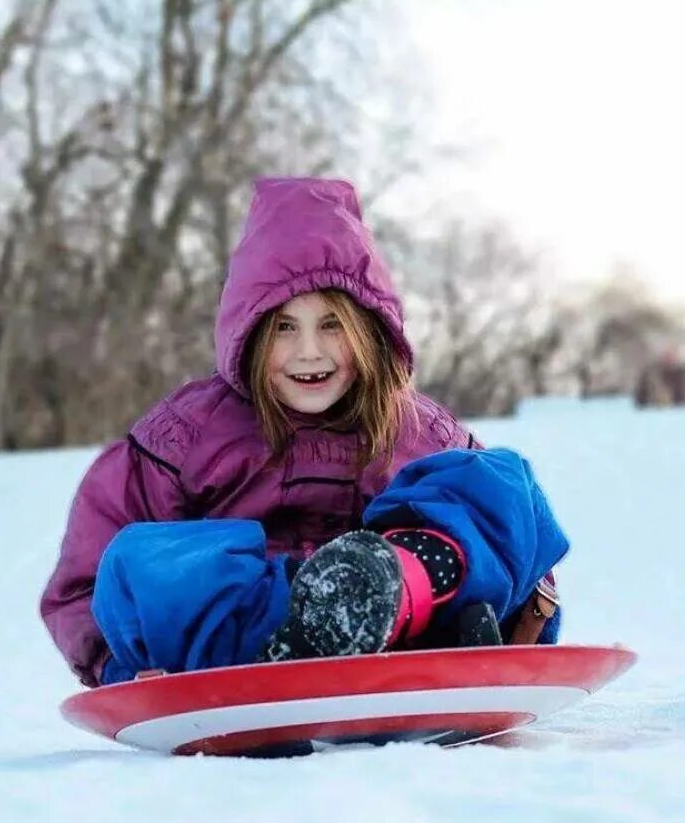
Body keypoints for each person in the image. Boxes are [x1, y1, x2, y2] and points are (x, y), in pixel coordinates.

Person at [40, 177, 567, 687]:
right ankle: (300, 636)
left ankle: (393, 588)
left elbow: (516, 545)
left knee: (499, 484)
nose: (309, 351)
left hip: (406, 624)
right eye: (284, 327)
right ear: (249, 334)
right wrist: (116, 667)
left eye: (332, 324)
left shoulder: (416, 428)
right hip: (245, 645)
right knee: (141, 560)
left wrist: (515, 616)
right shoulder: (188, 434)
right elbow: (87, 578)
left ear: (368, 331)